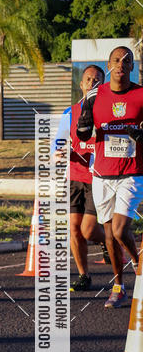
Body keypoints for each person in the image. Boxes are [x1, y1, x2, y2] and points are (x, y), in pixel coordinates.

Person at [77, 46, 143, 308]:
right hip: (102, 173)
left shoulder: (141, 94)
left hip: (132, 172)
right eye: (116, 60)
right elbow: (83, 132)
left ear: (131, 67)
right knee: (108, 235)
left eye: (126, 61)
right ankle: (119, 286)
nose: (120, 64)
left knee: (119, 229)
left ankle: (137, 263)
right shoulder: (95, 95)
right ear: (109, 65)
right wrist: (84, 129)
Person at [55, 65, 109, 291]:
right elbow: (58, 143)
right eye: (88, 79)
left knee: (88, 230)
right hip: (75, 177)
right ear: (81, 84)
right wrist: (60, 152)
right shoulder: (70, 112)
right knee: (74, 229)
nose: (92, 83)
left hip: (98, 178)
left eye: (97, 80)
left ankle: (109, 239)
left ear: (103, 85)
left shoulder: (108, 112)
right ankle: (83, 275)